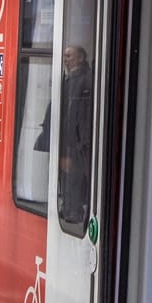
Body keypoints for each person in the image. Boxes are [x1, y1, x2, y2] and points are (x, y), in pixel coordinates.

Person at [57, 43, 94, 230]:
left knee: (74, 175)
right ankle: (69, 207)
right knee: (68, 174)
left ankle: (74, 210)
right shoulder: (70, 79)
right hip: (70, 137)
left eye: (69, 56)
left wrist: (78, 140)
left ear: (80, 58)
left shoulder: (84, 80)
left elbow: (79, 114)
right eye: (65, 56)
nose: (65, 59)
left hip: (77, 139)